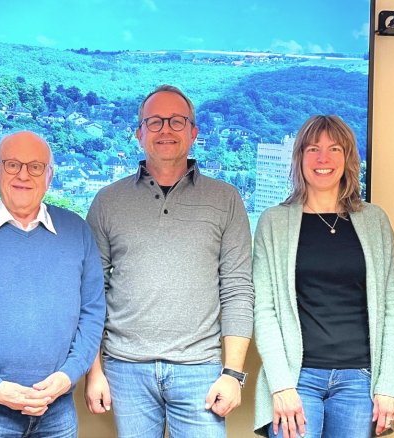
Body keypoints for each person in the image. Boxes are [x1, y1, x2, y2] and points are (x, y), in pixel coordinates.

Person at [84, 84, 254, 437]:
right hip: (125, 368)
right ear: (139, 133)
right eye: (155, 121)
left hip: (201, 369)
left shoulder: (225, 199)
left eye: (177, 121)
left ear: (194, 132)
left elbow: (237, 289)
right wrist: (94, 371)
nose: (166, 129)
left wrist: (232, 373)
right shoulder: (107, 201)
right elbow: (91, 291)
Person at [0, 131, 105, 437]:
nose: (23, 175)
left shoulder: (76, 231)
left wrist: (68, 376)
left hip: (57, 410)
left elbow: (92, 313)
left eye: (35, 167)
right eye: (12, 165)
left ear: (49, 176)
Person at [252, 115, 394, 438]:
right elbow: (264, 311)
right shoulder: (273, 223)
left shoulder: (374, 221)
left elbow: (392, 309)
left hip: (358, 381)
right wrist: (280, 385)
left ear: (348, 158)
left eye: (334, 149)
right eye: (313, 149)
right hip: (297, 379)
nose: (323, 158)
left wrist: (389, 384)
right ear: (299, 158)